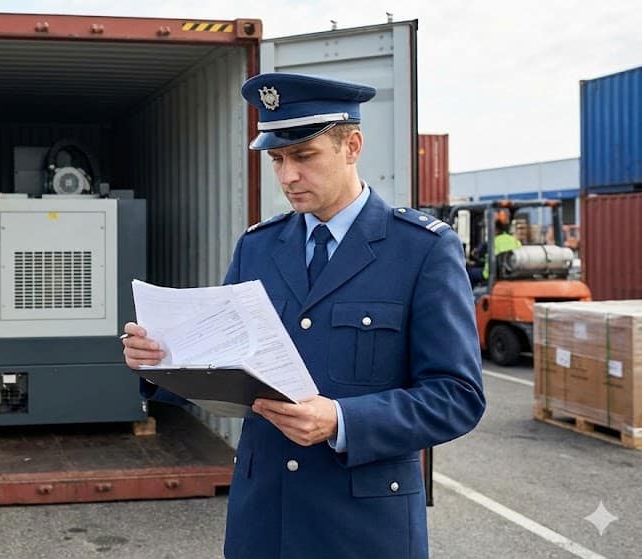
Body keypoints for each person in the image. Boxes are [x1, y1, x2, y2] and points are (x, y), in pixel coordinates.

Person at [122, 73, 485, 559]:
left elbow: (457, 396)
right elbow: (224, 361)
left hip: (363, 529)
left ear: (351, 145)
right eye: (277, 160)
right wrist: (160, 359)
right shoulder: (258, 246)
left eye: (304, 156)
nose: (287, 175)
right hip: (265, 520)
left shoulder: (421, 250)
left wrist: (340, 419)